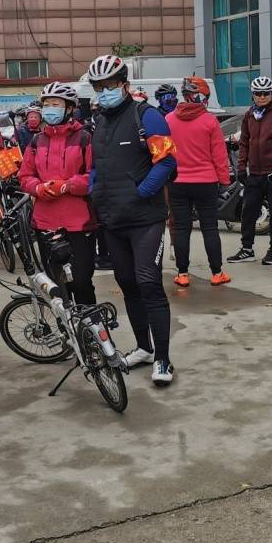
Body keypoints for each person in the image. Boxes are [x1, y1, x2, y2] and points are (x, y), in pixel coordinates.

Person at [86, 54, 177, 386]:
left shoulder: (147, 116)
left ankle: (163, 359)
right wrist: (95, 190)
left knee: (148, 283)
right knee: (127, 284)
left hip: (145, 218)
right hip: (113, 219)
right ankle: (144, 348)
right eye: (99, 87)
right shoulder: (100, 122)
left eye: (110, 85)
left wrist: (142, 192)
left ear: (124, 84)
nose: (104, 91)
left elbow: (166, 162)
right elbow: (96, 166)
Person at [18, 82, 97, 306]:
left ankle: (90, 326)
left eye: (56, 104)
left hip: (79, 223)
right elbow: (25, 176)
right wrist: (38, 188)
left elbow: (95, 175)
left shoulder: (85, 137)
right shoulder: (36, 141)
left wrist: (68, 185)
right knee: (58, 287)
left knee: (81, 282)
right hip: (45, 222)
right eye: (46, 104)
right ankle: (66, 327)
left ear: (69, 108)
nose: (50, 109)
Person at [166, 77, 231, 288]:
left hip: (177, 181)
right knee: (210, 228)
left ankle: (183, 274)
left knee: (181, 228)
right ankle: (217, 273)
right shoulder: (210, 121)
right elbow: (219, 155)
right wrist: (224, 180)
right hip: (206, 182)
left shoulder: (169, 120)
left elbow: (164, 152)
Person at [229, 75, 272, 266]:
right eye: (258, 93)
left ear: (271, 94)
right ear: (253, 95)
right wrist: (241, 167)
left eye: (265, 93)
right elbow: (244, 143)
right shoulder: (249, 115)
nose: (262, 97)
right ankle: (247, 249)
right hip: (254, 173)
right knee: (248, 211)